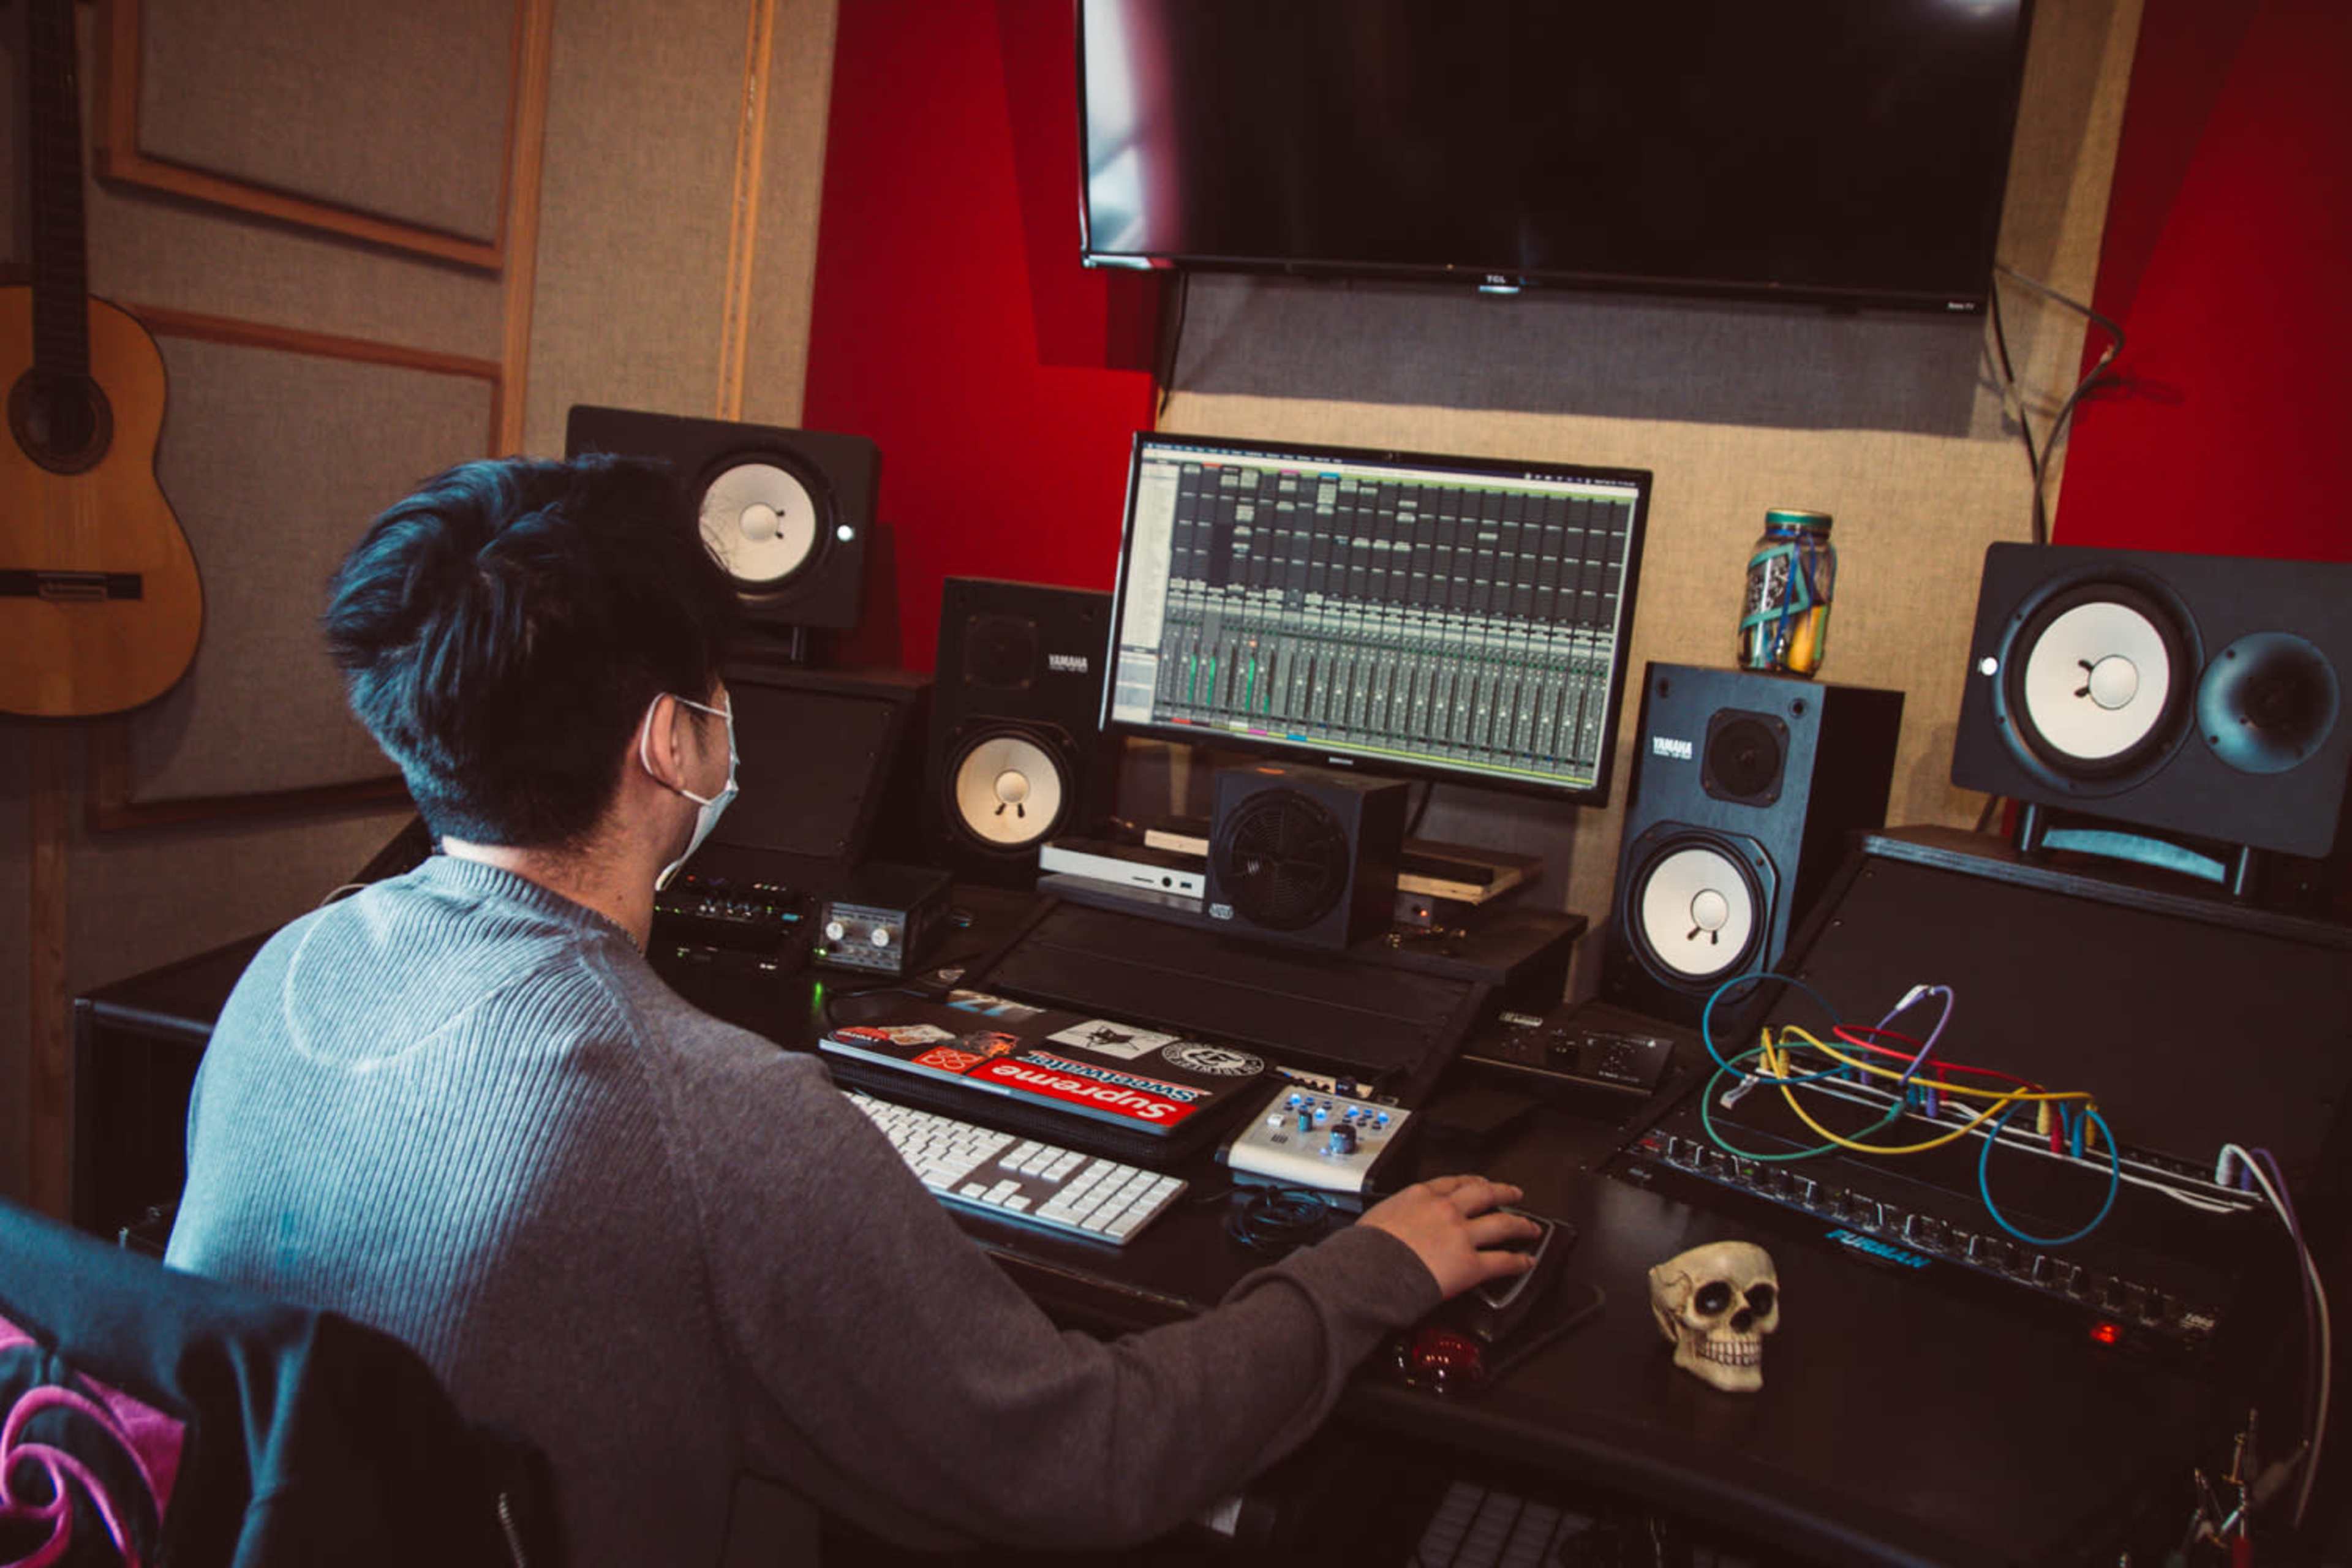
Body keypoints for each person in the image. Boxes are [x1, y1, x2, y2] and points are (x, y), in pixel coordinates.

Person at [165, 455, 1542, 1566]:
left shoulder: (291, 966)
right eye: (722, 692)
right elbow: (1090, 1455)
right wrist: (1372, 1264)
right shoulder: (721, 1116)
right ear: (672, 742)